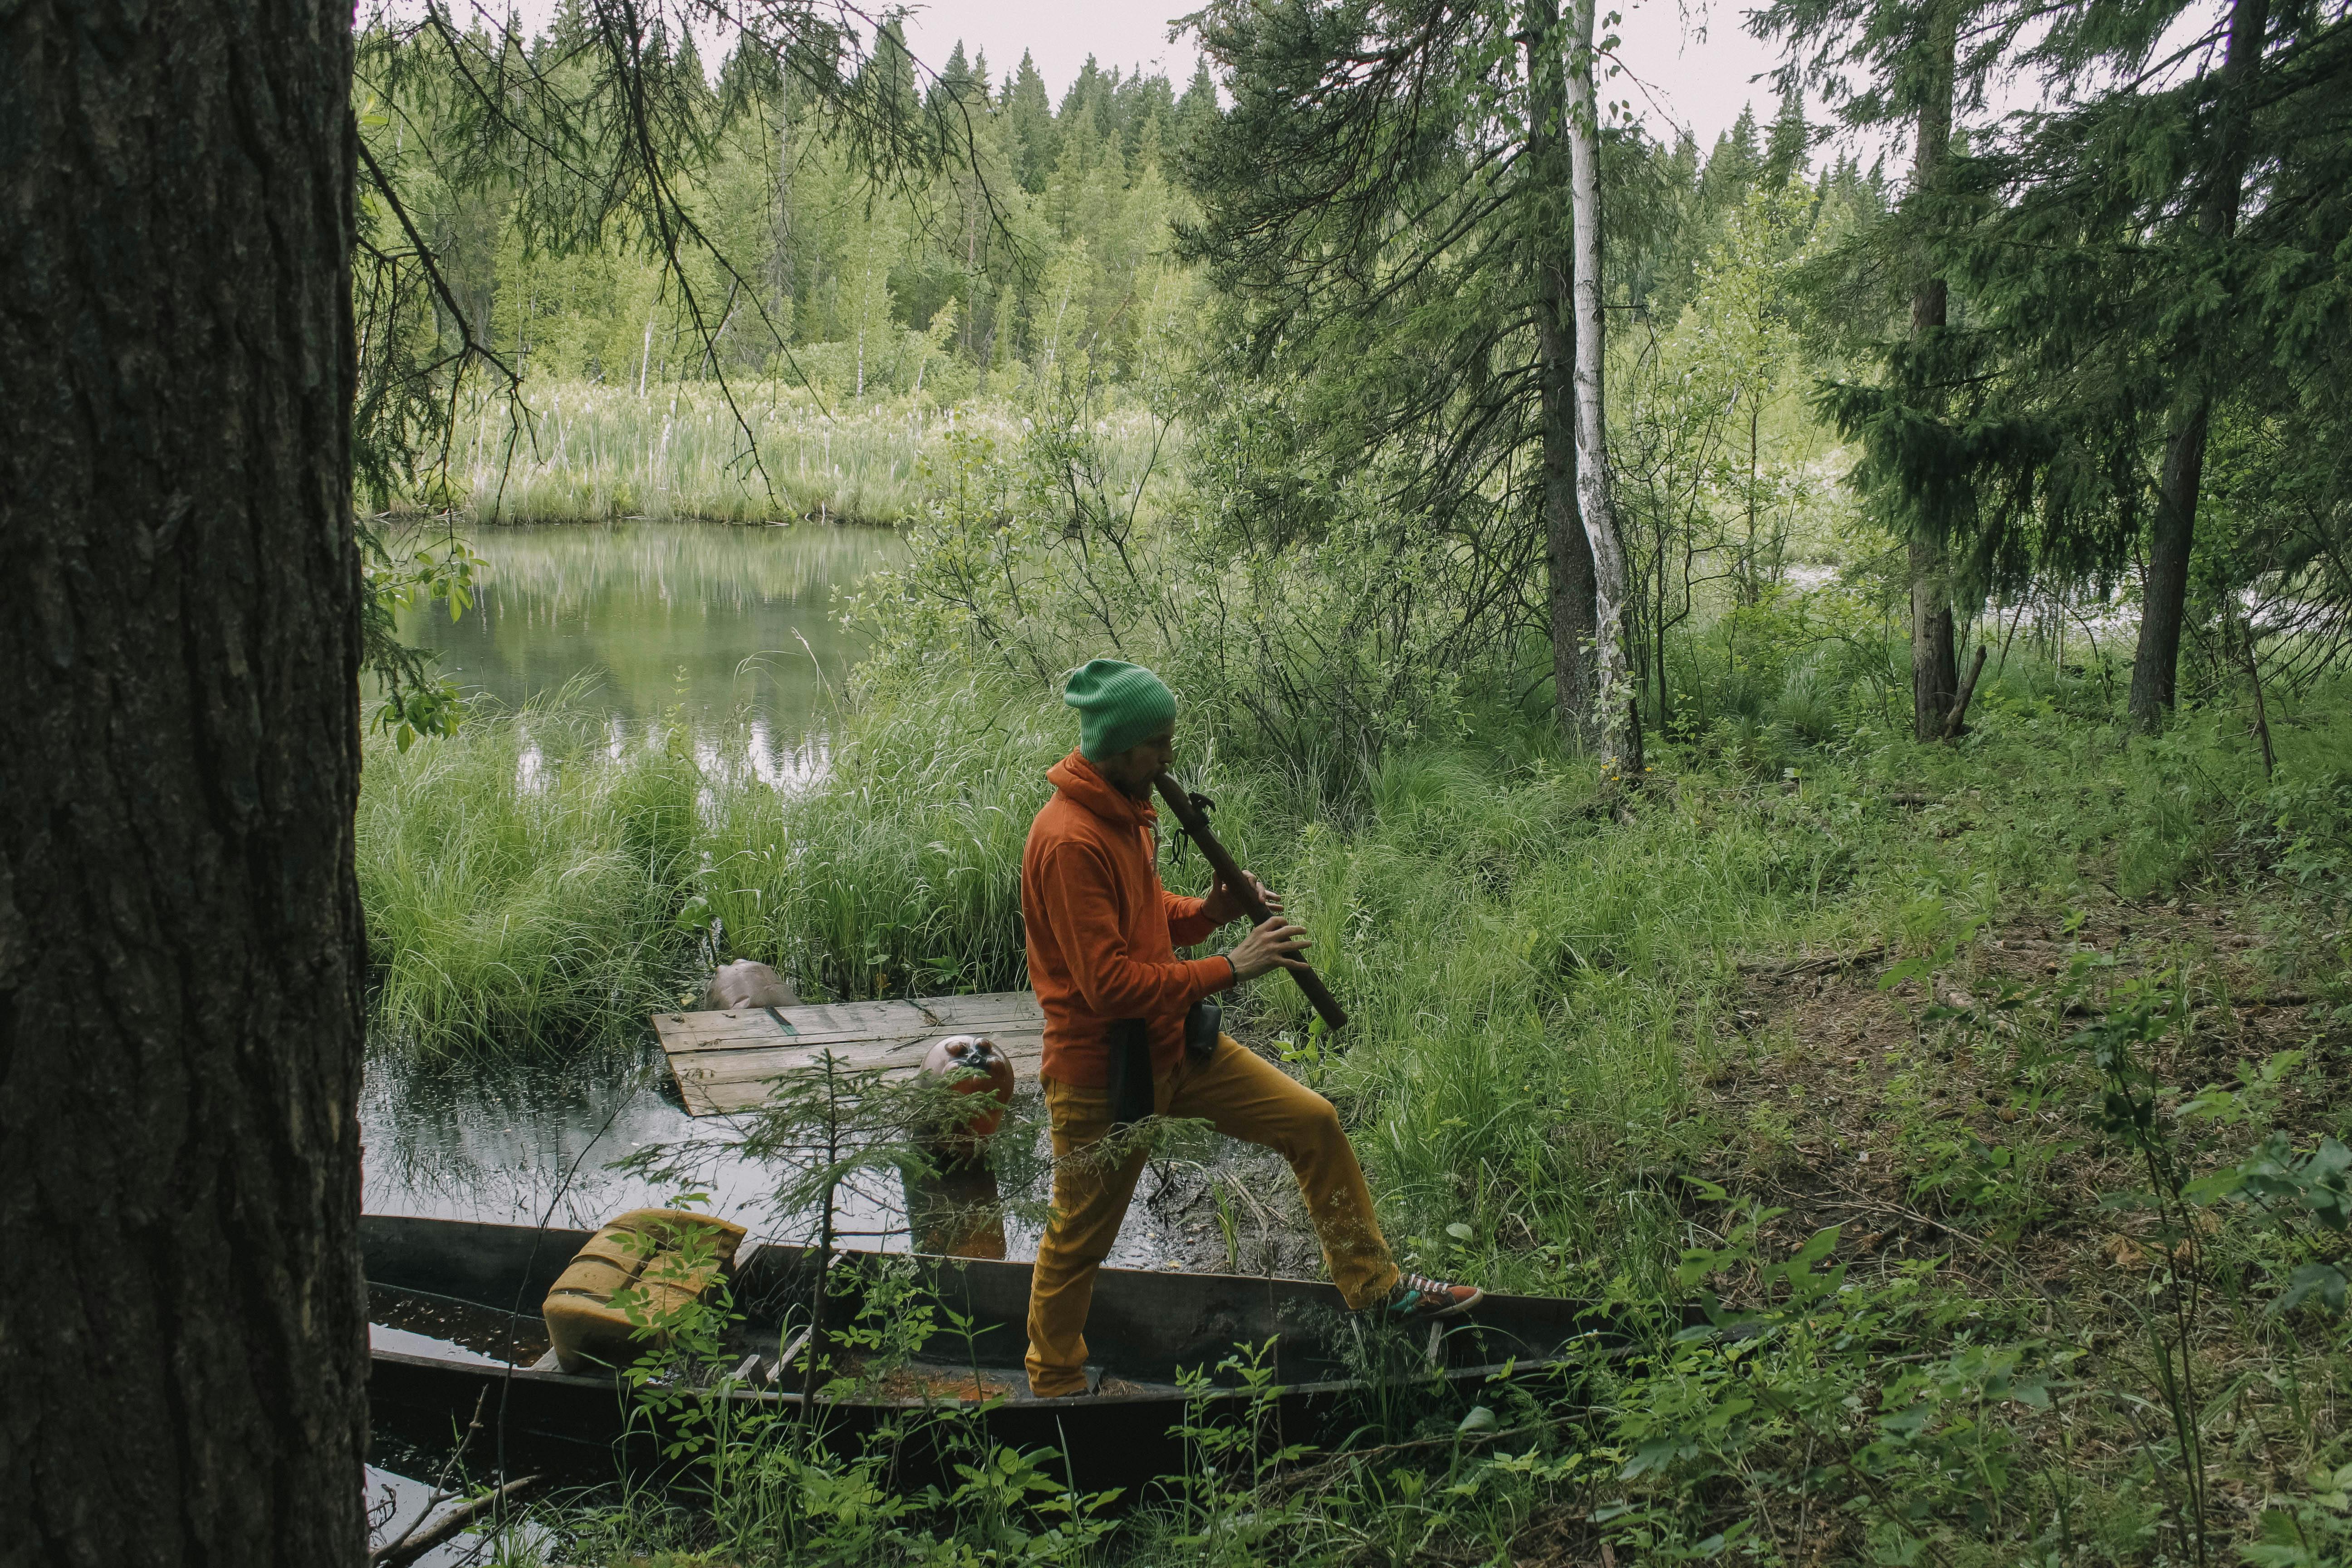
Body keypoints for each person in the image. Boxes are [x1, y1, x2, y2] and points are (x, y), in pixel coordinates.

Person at [1019, 658, 1482, 1397]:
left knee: (1314, 1123)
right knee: (1078, 1241)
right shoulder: (1070, 838)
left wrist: (1205, 914)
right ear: (1117, 744)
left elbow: (1141, 918)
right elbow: (1108, 987)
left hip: (1176, 1046)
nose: (1170, 757)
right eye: (1158, 744)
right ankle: (1053, 1387)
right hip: (1101, 1071)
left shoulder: (1127, 807)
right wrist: (1233, 965)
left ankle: (1374, 1287)